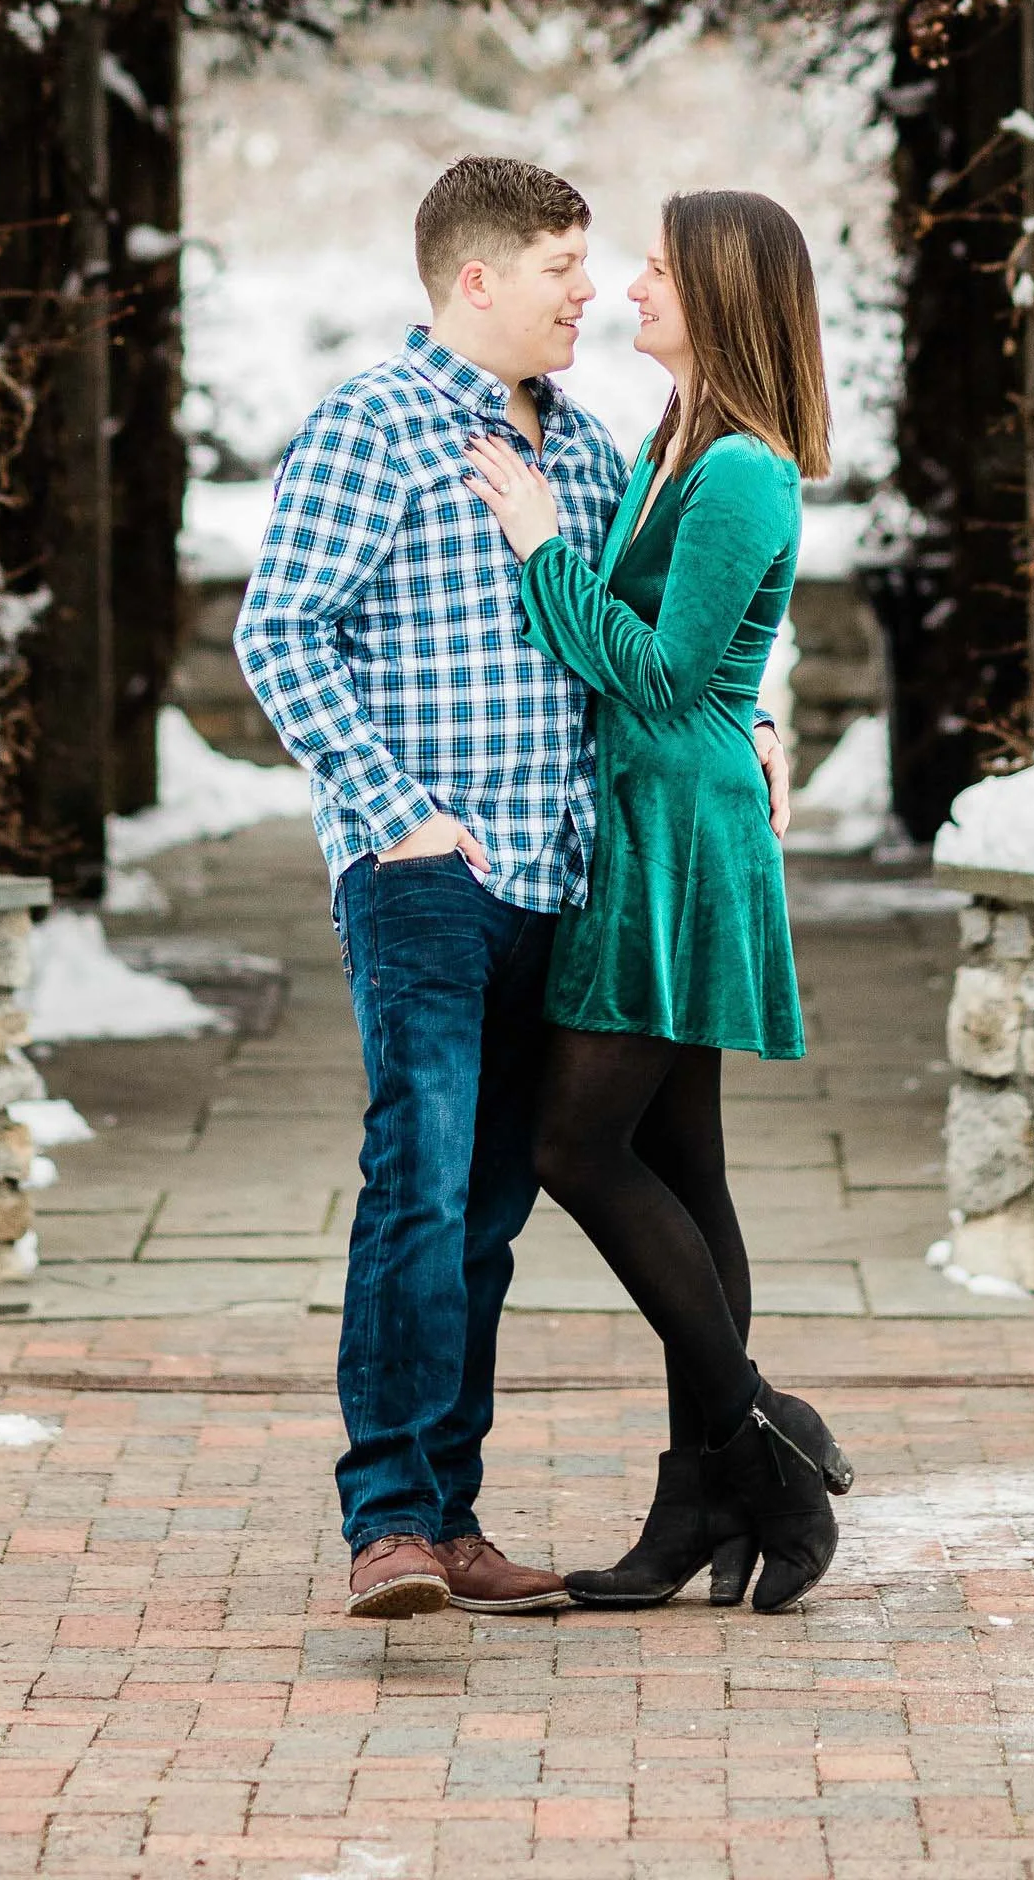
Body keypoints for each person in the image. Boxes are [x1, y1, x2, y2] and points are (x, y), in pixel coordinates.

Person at [234, 155, 788, 1622]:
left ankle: (458, 1518)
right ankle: (391, 1525)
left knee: (489, 1205)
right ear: (477, 281)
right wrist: (392, 809)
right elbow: (283, 633)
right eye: (562, 270)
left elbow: (658, 642)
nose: (591, 295)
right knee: (416, 1181)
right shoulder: (374, 425)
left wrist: (761, 722)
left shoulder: (597, 449)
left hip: (566, 879)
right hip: (423, 872)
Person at [464, 187, 852, 1616]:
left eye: (659, 269)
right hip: (652, 818)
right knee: (685, 1166)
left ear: (723, 296)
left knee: (576, 1141)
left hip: (678, 835)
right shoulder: (674, 440)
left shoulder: (742, 468)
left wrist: (538, 544)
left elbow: (667, 674)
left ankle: (755, 1436)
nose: (632, 285)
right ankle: (706, 1491)